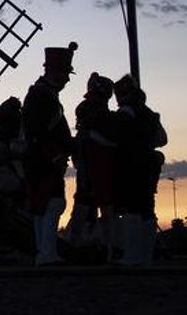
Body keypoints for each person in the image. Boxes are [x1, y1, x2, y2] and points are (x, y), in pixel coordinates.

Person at [22, 42, 78, 266]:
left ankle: (43, 252)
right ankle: (46, 253)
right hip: (44, 159)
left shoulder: (42, 94)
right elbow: (37, 130)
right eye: (65, 73)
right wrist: (54, 154)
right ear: (55, 72)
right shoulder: (42, 95)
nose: (67, 79)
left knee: (42, 205)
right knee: (52, 203)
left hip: (39, 158)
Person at [111, 74, 167, 266]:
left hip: (130, 166)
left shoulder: (125, 114)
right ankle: (145, 256)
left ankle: (131, 255)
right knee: (147, 210)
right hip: (148, 165)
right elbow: (162, 139)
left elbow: (118, 139)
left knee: (132, 210)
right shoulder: (150, 113)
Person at [71, 73, 117, 257]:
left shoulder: (96, 115)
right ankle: (105, 246)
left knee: (95, 203)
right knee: (94, 203)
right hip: (91, 163)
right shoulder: (97, 114)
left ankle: (102, 245)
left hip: (96, 164)